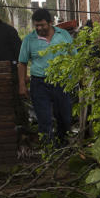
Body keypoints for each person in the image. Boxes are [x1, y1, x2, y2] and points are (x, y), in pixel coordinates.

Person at [17, 8, 74, 146]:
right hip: (39, 83)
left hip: (62, 82)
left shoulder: (63, 35)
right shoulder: (29, 40)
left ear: (50, 23)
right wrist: (22, 85)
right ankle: (48, 151)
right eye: (36, 25)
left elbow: (74, 57)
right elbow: (22, 63)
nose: (39, 28)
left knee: (65, 118)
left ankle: (63, 147)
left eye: (42, 25)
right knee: (44, 119)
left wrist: (76, 78)